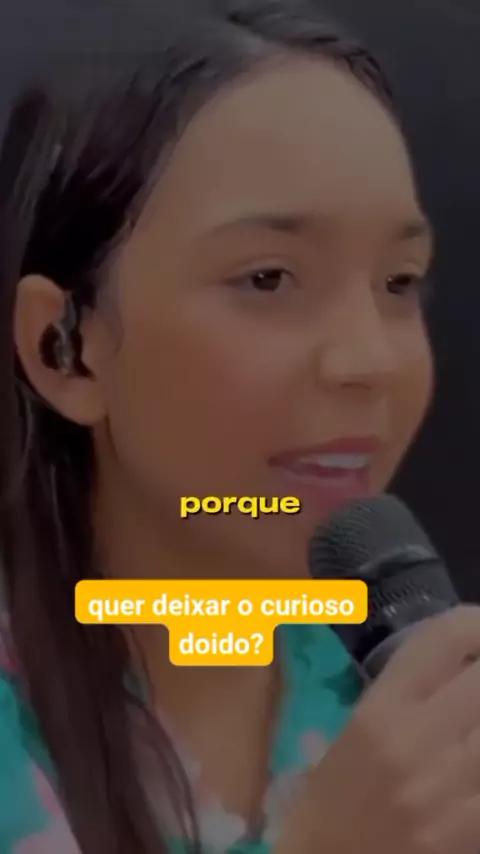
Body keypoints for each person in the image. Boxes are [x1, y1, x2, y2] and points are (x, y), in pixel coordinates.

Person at [2, 1, 480, 852]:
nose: (368, 358)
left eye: (400, 282)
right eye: (268, 279)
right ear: (64, 350)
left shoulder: (416, 709)